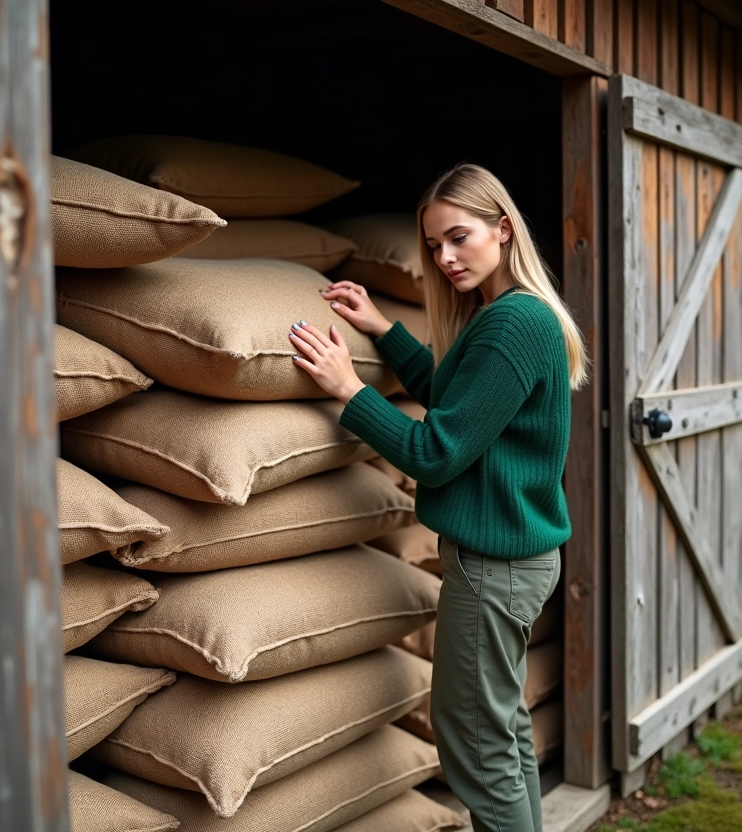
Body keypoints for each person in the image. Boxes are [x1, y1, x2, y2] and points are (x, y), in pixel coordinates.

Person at [288, 163, 589, 832]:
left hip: (495, 570)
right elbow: (463, 405)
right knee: (501, 734)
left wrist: (349, 390)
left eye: (459, 237)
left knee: (475, 743)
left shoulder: (515, 324)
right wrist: (383, 330)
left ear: (503, 229)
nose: (445, 258)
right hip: (508, 563)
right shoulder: (508, 315)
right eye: (433, 246)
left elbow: (439, 451)